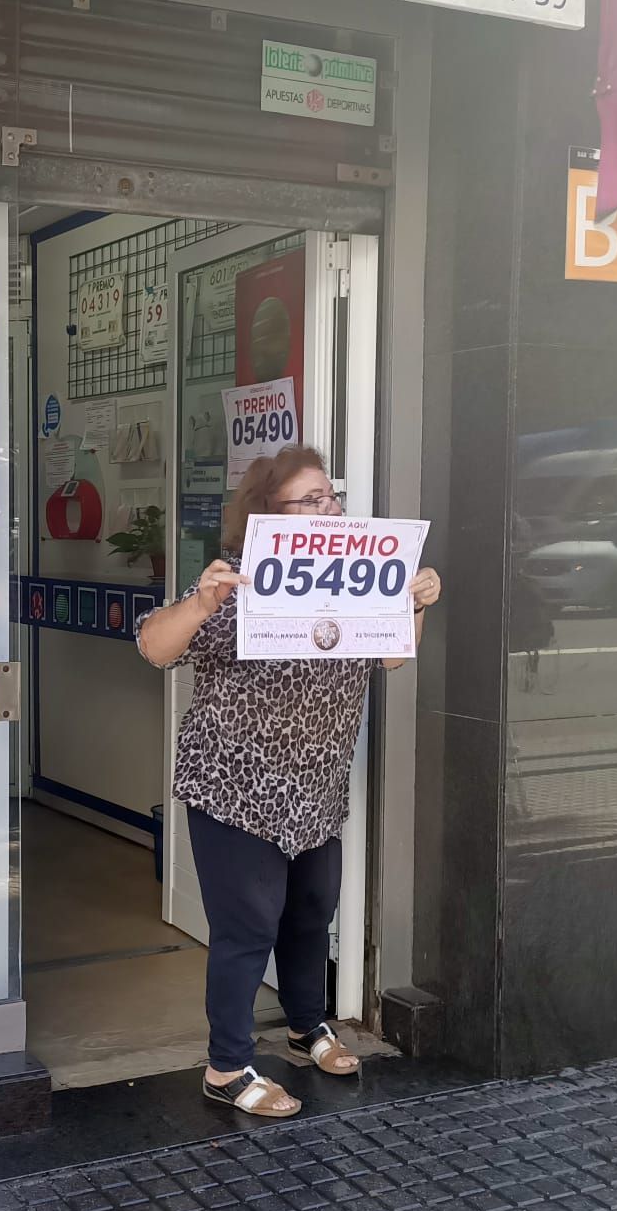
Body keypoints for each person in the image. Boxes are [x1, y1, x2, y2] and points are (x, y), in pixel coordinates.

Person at [136, 447, 441, 1117]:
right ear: (266, 514)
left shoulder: (358, 580)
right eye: (311, 501)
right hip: (233, 788)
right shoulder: (238, 583)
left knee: (309, 915)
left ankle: (308, 1027)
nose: (328, 509)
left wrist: (417, 602)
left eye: (330, 497)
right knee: (246, 929)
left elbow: (391, 655)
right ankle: (227, 1067)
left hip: (315, 789)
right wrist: (200, 600)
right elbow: (154, 646)